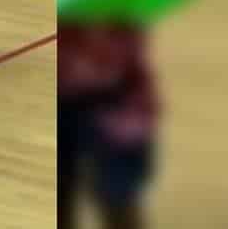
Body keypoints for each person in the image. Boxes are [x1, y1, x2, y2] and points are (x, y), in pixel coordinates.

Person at [58, 17, 157, 229]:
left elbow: (128, 70)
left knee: (118, 201)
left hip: (120, 119)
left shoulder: (122, 23)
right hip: (70, 112)